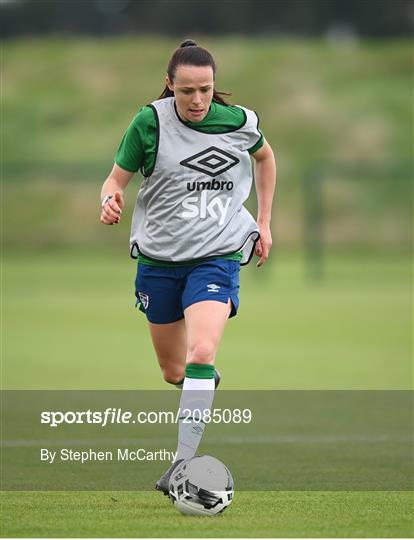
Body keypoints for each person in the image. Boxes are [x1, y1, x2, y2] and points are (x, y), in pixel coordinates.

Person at [100, 39, 276, 495]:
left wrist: (265, 221)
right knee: (174, 370)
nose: (197, 100)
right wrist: (109, 199)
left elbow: (265, 157)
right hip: (159, 261)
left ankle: (181, 465)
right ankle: (202, 385)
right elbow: (115, 179)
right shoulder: (149, 123)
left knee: (202, 352)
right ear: (169, 86)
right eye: (186, 91)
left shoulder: (239, 121)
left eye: (205, 89)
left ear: (214, 87)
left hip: (216, 256)